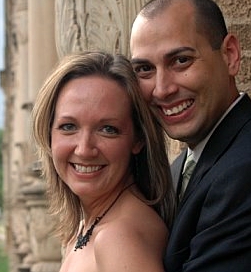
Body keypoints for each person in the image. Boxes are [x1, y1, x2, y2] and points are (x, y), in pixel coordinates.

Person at [130, 0, 251, 272]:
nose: (162, 89)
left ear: (230, 55)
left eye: (181, 60)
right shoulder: (183, 166)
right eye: (144, 69)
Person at [31, 51, 176, 272]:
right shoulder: (88, 225)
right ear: (49, 133)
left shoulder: (118, 238)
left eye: (108, 129)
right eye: (68, 127)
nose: (84, 149)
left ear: (138, 138)